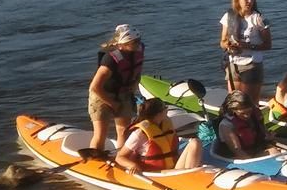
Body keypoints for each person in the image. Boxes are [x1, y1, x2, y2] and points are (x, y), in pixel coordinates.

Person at [87, 24, 144, 152]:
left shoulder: (138, 51)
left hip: (123, 93)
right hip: (101, 95)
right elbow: (95, 87)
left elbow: (137, 72)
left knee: (124, 131)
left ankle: (121, 157)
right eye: (133, 43)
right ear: (121, 45)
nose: (137, 45)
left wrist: (133, 88)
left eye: (138, 41)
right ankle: (95, 158)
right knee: (101, 133)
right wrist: (111, 103)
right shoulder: (110, 60)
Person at [115, 97, 202, 173]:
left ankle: (190, 175)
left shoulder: (165, 124)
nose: (167, 110)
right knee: (195, 142)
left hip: (174, 169)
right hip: (157, 173)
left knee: (195, 142)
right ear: (159, 113)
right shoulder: (139, 133)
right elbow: (120, 157)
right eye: (165, 108)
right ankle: (188, 178)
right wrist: (132, 165)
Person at [219, 0, 272, 103]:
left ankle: (254, 120)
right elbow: (222, 42)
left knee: (249, 102)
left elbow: (268, 45)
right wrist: (227, 44)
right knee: (235, 101)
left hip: (251, 64)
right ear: (237, 0)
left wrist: (247, 46)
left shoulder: (259, 18)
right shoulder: (229, 16)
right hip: (233, 64)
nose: (250, 1)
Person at [215, 90, 275, 160]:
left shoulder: (254, 115)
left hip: (257, 149)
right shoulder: (226, 125)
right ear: (232, 110)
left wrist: (268, 137)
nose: (247, 116)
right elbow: (238, 151)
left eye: (249, 111)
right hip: (240, 157)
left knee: (282, 153)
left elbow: (264, 133)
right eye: (242, 113)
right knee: (275, 153)